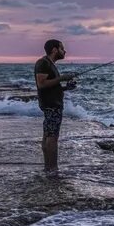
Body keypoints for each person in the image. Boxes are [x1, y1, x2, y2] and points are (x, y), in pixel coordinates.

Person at [34, 39, 77, 173]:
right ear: (54, 50)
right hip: (51, 105)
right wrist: (62, 78)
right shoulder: (43, 63)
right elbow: (41, 84)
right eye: (62, 48)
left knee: (48, 134)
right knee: (52, 137)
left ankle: (48, 168)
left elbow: (51, 86)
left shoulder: (50, 64)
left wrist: (64, 88)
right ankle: (52, 169)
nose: (65, 51)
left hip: (53, 105)